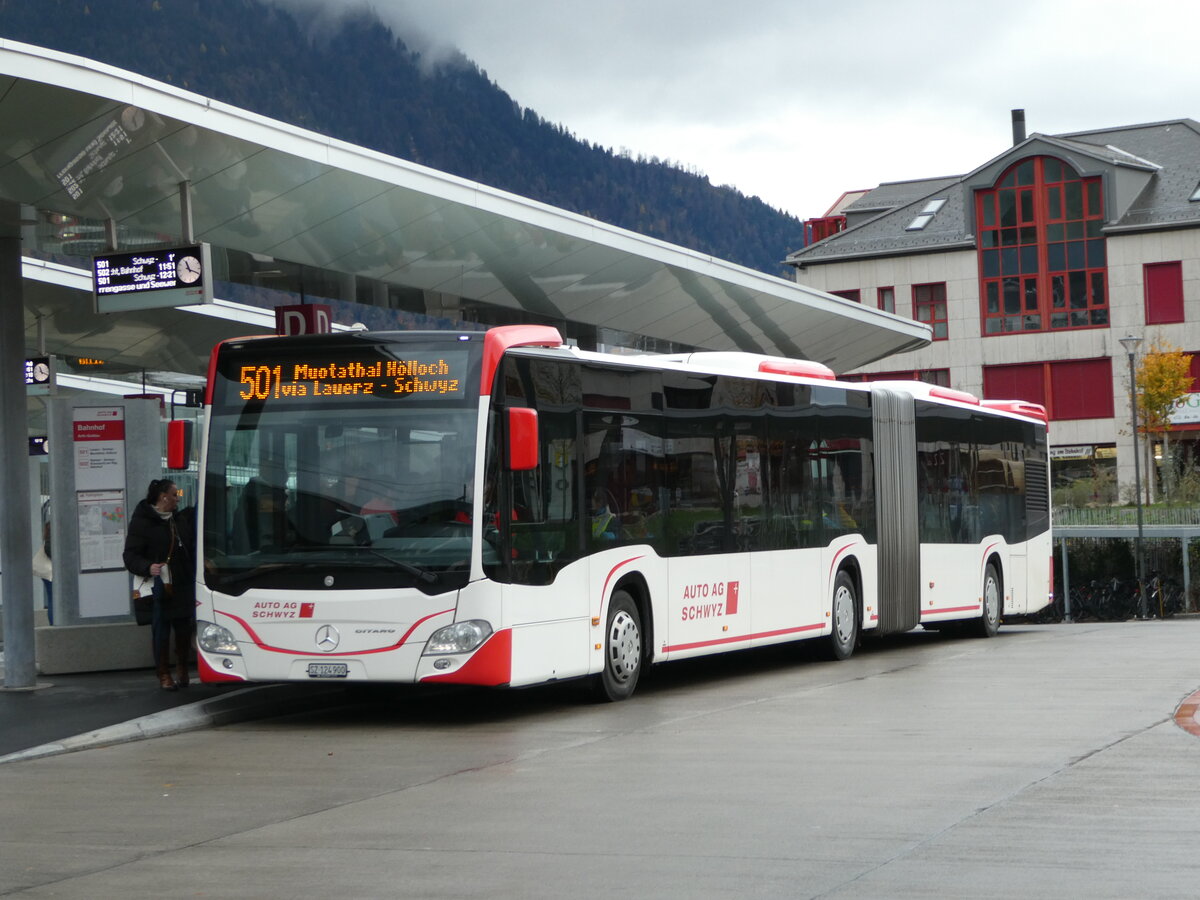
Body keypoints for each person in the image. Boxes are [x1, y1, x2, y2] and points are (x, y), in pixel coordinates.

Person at [123, 479, 196, 691]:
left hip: (182, 583)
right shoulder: (143, 521)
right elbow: (130, 555)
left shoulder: (179, 519)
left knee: (183, 629)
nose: (177, 498)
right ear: (163, 497)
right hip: (159, 587)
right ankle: (163, 673)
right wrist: (148, 567)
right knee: (161, 631)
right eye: (174, 494)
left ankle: (182, 667)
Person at [32, 519, 53, 625]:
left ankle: (53, 622)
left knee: (51, 597)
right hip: (50, 572)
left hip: (46, 571)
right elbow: (50, 551)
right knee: (53, 598)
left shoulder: (48, 536)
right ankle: (53, 623)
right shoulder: (52, 538)